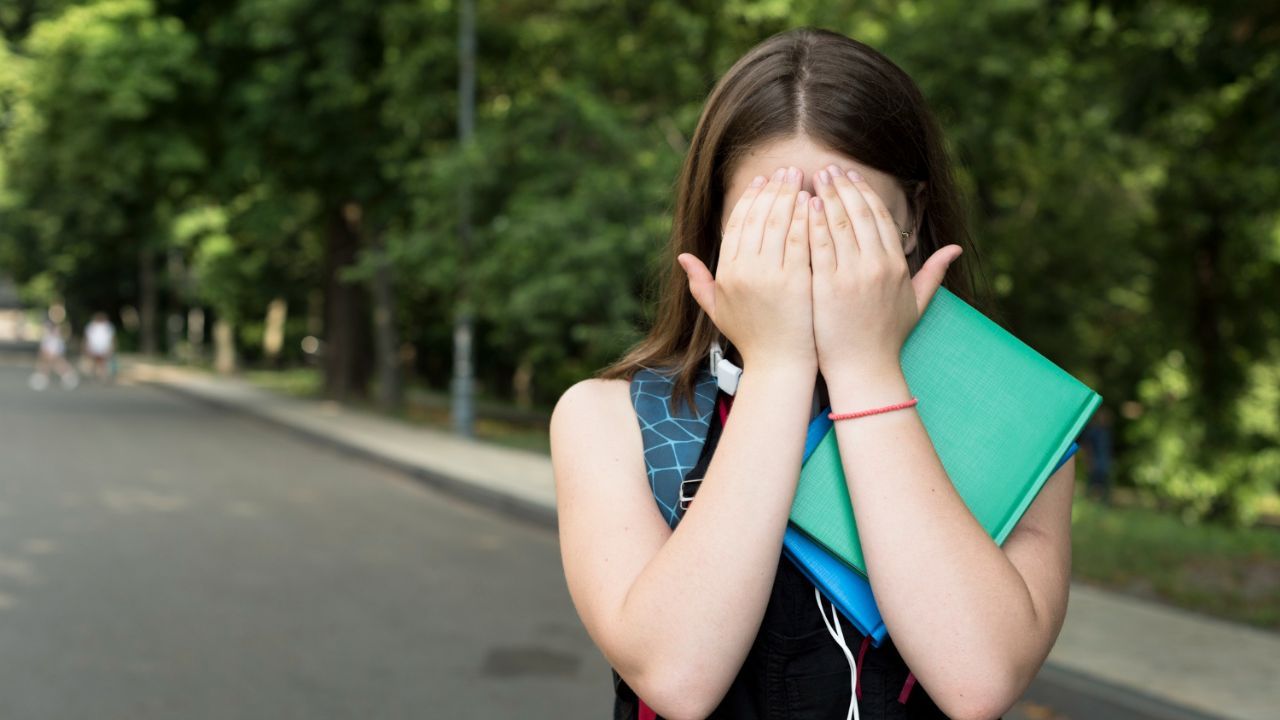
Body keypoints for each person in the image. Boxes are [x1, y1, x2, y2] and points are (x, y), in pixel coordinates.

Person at [550, 27, 1076, 720]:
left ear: (912, 220)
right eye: (772, 224)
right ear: (713, 229)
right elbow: (678, 676)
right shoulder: (611, 418)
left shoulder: (1016, 419)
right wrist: (778, 367)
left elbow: (977, 680)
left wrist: (865, 370)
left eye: (851, 222)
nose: (814, 252)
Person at [31, 316, 78, 390]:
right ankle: (42, 378)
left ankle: (68, 376)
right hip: (51, 351)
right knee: (47, 365)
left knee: (58, 365)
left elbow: (55, 345)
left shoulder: (54, 334)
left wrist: (52, 353)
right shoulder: (49, 334)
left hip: (53, 351)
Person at [83, 311, 116, 382]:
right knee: (95, 361)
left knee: (102, 362)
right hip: (95, 346)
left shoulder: (107, 326)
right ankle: (97, 376)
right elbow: (88, 337)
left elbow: (111, 338)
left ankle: (102, 376)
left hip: (103, 347)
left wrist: (111, 347)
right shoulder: (92, 326)